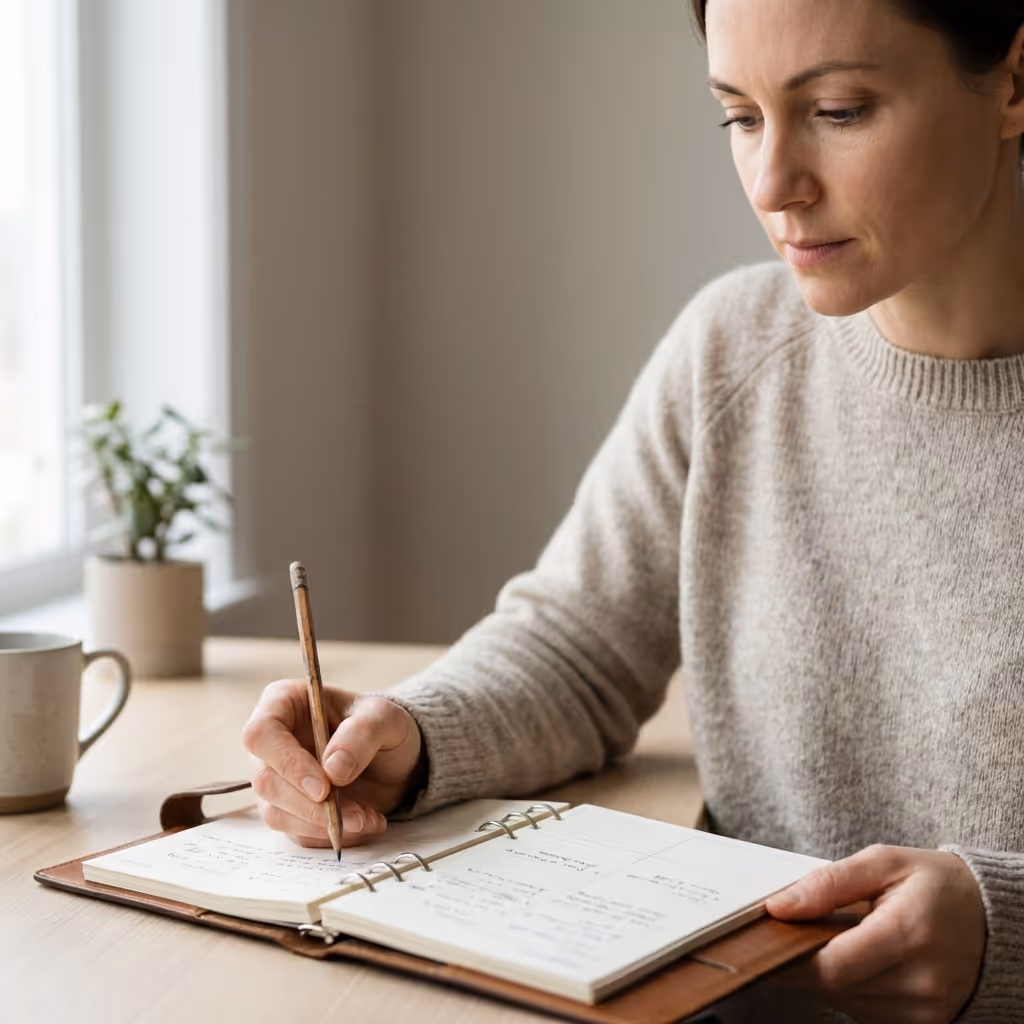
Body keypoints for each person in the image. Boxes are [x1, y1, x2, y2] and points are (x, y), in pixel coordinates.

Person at [242, 0, 1024, 1020]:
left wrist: (1001, 925)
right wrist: (411, 735)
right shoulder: (731, 351)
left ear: (1011, 80)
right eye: (738, 117)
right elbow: (576, 647)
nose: (771, 184)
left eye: (837, 109)